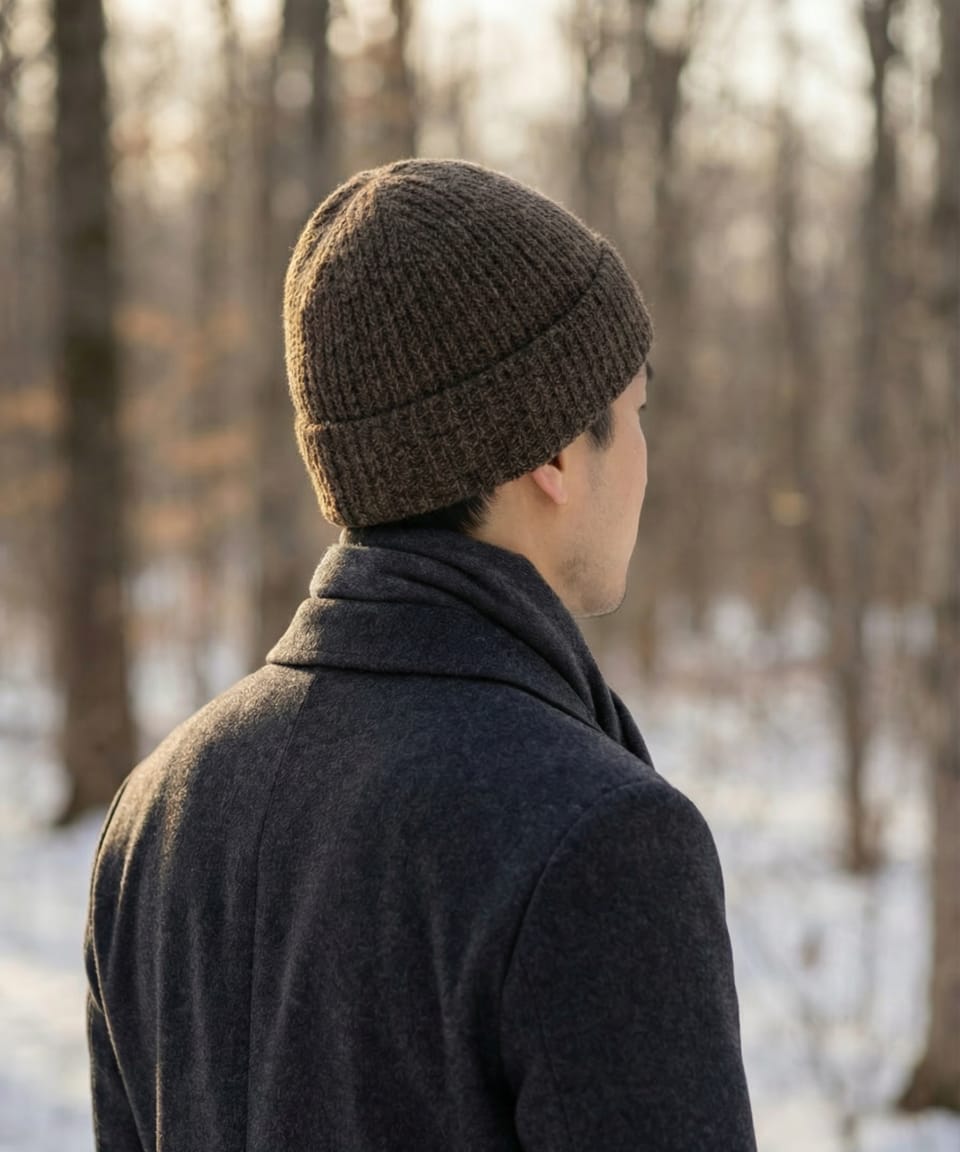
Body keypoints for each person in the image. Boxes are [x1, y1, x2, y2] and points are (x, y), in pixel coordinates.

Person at [85, 158, 757, 1151]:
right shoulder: (599, 841)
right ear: (558, 454)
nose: (646, 457)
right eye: (637, 411)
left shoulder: (157, 812)